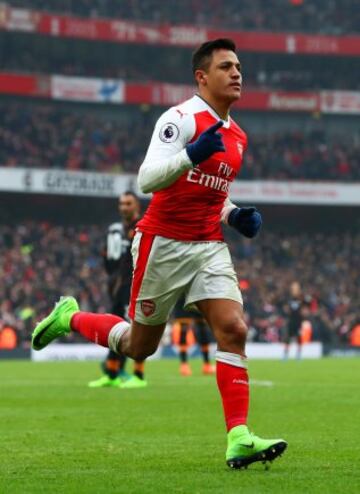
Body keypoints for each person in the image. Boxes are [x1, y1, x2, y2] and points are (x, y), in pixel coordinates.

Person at [32, 38, 287, 469]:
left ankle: (239, 436)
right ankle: (69, 317)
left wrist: (234, 214)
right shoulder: (180, 118)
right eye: (226, 66)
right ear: (201, 77)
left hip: (207, 245)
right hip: (163, 244)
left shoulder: (238, 136)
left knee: (234, 329)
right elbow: (148, 179)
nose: (237, 73)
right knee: (138, 346)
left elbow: (210, 194)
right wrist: (189, 154)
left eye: (239, 66)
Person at [88, 192, 148, 389]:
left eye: (128, 203)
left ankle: (138, 375)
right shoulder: (114, 229)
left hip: (137, 285)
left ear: (136, 205)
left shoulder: (143, 225)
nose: (124, 207)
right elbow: (107, 256)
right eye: (121, 203)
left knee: (139, 326)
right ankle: (112, 373)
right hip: (117, 285)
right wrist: (113, 279)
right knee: (115, 326)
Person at [171, 297, 215, 376]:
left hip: (191, 295)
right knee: (187, 329)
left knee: (201, 329)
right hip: (190, 295)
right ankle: (187, 365)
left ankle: (204, 365)